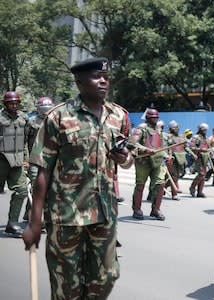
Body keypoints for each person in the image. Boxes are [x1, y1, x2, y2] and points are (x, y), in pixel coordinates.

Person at [22, 57, 133, 299]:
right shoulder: (58, 117)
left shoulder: (119, 117)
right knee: (66, 286)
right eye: (96, 76)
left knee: (106, 276)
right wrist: (34, 222)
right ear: (79, 81)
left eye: (106, 76)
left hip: (104, 213)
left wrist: (123, 157)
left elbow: (128, 159)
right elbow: (43, 170)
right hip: (66, 216)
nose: (103, 80)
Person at [130, 108, 168, 220]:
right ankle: (137, 209)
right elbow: (132, 143)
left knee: (160, 184)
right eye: (153, 117)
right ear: (148, 118)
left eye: (156, 117)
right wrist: (145, 149)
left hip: (157, 161)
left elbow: (161, 146)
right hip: (143, 161)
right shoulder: (141, 129)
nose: (155, 119)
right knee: (140, 185)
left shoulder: (159, 130)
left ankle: (156, 209)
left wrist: (166, 155)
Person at [0, 91, 29, 237]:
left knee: (22, 191)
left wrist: (26, 158)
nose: (14, 105)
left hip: (17, 162)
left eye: (16, 102)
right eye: (11, 103)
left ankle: (12, 223)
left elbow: (26, 141)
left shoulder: (23, 118)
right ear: (5, 104)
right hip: (1, 160)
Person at [23, 96, 54, 221]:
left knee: (48, 188)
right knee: (37, 187)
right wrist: (25, 159)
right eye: (43, 108)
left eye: (48, 108)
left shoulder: (54, 121)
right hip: (34, 159)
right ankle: (36, 218)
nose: (45, 111)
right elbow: (24, 141)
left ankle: (29, 213)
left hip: (50, 159)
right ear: (38, 108)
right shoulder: (31, 122)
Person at [189, 123, 210, 198]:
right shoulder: (196, 137)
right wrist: (200, 149)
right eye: (203, 129)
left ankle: (200, 192)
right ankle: (192, 187)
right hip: (198, 157)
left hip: (206, 158)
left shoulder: (206, 138)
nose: (205, 131)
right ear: (200, 129)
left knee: (203, 176)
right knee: (201, 174)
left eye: (205, 129)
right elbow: (191, 147)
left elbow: (208, 147)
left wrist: (209, 151)